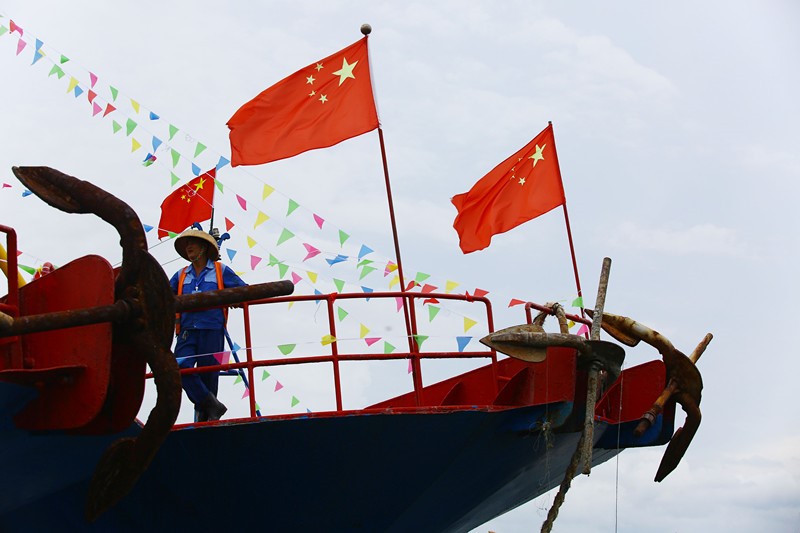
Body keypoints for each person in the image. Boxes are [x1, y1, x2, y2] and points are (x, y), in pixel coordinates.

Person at [169, 229, 246, 421]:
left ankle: (207, 421)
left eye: (192, 242)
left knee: (209, 376)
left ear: (203, 247)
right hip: (186, 332)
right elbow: (163, 297)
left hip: (213, 330)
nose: (188, 247)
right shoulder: (180, 275)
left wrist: (235, 298)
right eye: (186, 243)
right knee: (178, 367)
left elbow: (244, 290)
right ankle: (212, 405)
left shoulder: (221, 270)